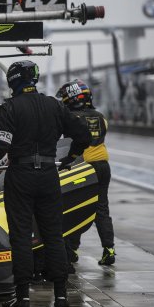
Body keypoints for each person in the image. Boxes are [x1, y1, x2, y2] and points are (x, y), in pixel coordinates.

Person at [0, 60, 91, 307]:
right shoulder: (54, 105)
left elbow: (1, 145)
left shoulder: (10, 108)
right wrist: (71, 157)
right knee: (54, 235)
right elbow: (83, 134)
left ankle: (22, 297)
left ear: (13, 81)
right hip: (49, 176)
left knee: (20, 237)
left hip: (20, 175)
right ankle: (62, 295)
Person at [56, 79, 116, 266]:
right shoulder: (101, 116)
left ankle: (72, 250)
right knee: (101, 208)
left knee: (75, 207)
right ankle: (109, 250)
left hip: (82, 166)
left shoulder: (70, 119)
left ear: (71, 99)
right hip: (103, 165)